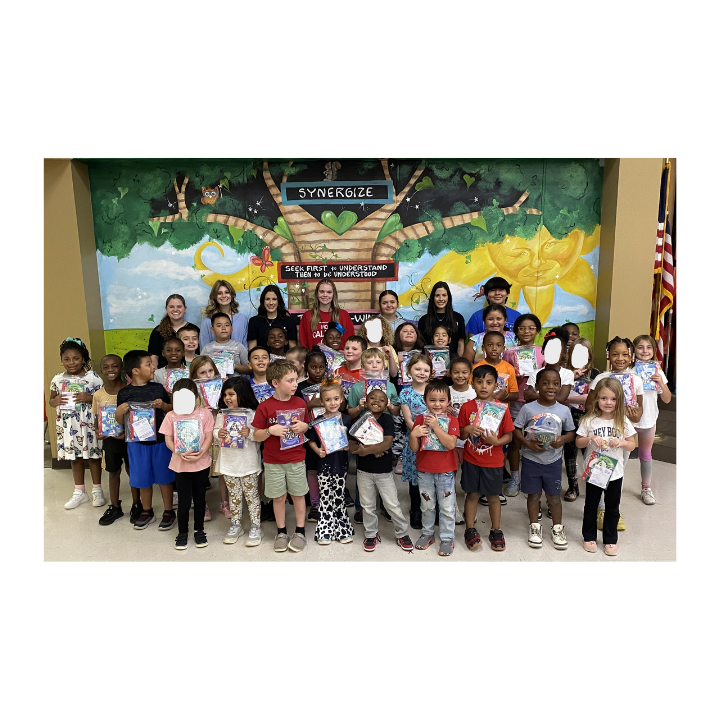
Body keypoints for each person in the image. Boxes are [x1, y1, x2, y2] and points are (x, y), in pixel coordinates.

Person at [251, 359, 310, 553]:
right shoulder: (265, 407)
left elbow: (307, 426)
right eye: (290, 380)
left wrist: (304, 427)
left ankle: (300, 531)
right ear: (275, 383)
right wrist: (270, 431)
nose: (295, 384)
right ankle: (281, 532)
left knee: (298, 495)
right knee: (278, 497)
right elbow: (256, 434)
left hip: (296, 458)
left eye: (296, 380)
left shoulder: (300, 402)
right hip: (273, 461)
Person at [513, 367, 575, 550]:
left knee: (554, 497)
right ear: (537, 385)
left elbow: (571, 432)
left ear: (560, 386)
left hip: (553, 461)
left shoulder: (564, 410)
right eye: (545, 383)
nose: (551, 387)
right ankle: (535, 527)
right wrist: (527, 443)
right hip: (531, 459)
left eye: (556, 383)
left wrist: (562, 439)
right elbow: (516, 429)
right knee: (533, 496)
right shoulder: (527, 408)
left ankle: (557, 528)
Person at [587, 336, 645, 532]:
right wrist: (603, 409)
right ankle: (600, 509)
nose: (620, 358)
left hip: (621, 435)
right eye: (615, 354)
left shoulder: (635, 380)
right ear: (608, 355)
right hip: (600, 432)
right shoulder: (600, 378)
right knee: (599, 470)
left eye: (624, 354)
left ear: (631, 356)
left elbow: (638, 415)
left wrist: (630, 412)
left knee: (617, 472)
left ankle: (613, 509)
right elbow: (589, 405)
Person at [114, 350, 175, 530]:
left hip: (160, 442)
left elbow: (170, 409)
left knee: (164, 478)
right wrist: (119, 412)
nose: (153, 367)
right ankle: (146, 510)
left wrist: (163, 405)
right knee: (142, 479)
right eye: (148, 364)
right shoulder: (124, 393)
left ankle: (169, 511)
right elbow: (120, 421)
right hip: (136, 443)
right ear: (135, 371)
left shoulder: (157, 388)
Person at [576, 377, 637, 556]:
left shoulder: (623, 421)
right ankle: (589, 536)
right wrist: (589, 439)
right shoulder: (589, 420)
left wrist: (623, 442)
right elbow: (579, 442)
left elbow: (632, 444)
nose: (608, 402)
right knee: (591, 505)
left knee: (612, 507)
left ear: (619, 400)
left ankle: (610, 540)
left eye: (613, 399)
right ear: (597, 399)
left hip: (615, 473)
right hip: (595, 471)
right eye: (604, 398)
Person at [349, 389, 414, 552]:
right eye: (372, 397)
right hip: (363, 471)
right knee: (367, 505)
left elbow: (386, 443)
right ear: (365, 402)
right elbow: (351, 445)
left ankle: (402, 533)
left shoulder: (387, 420)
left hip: (384, 472)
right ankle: (371, 534)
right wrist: (370, 450)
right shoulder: (360, 420)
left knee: (392, 504)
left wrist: (366, 450)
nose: (376, 401)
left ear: (386, 406)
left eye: (381, 400)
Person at [459, 365, 515, 551]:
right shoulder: (466, 407)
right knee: (472, 495)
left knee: (493, 496)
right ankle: (470, 529)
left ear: (495, 385)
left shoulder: (501, 408)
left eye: (489, 382)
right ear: (472, 383)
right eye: (479, 381)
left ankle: (496, 530)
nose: (484, 386)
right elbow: (460, 434)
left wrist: (497, 441)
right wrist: (467, 429)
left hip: (493, 461)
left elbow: (509, 435)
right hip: (471, 460)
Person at [49, 338, 104, 510]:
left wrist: (91, 398)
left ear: (83, 359)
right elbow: (51, 401)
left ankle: (97, 490)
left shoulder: (92, 378)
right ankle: (80, 492)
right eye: (66, 359)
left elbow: (103, 398)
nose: (71, 362)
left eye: (76, 358)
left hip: (88, 424)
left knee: (94, 456)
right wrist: (55, 400)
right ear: (61, 360)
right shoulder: (57, 379)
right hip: (68, 426)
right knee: (75, 458)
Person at [160, 379, 215, 550]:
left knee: (200, 500)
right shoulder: (171, 416)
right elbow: (167, 438)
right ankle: (182, 532)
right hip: (180, 465)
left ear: (196, 397)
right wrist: (177, 450)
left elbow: (209, 436)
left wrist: (202, 452)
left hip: (201, 464)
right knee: (184, 501)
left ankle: (199, 530)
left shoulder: (204, 414)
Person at [409, 379, 461, 556]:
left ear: (448, 401)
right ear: (425, 401)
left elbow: (451, 444)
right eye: (432, 400)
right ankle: (427, 534)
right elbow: (414, 448)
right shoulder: (419, 419)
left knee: (447, 507)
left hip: (445, 472)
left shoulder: (452, 420)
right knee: (427, 505)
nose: (437, 404)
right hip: (424, 471)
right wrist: (413, 435)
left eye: (441, 400)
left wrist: (436, 427)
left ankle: (447, 538)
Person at [215, 376, 263, 547]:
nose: (227, 398)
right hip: (229, 463)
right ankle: (236, 525)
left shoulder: (253, 414)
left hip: (248, 463)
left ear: (242, 394)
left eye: (231, 394)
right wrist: (217, 434)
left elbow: (259, 437)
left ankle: (256, 526)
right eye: (225, 394)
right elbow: (215, 431)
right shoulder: (222, 414)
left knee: (252, 497)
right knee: (234, 497)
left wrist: (248, 433)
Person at [93, 354, 140, 525]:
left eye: (115, 366)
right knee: (113, 472)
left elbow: (137, 417)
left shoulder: (130, 390)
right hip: (110, 440)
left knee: (132, 470)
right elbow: (96, 418)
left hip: (129, 439)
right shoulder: (98, 395)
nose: (110, 370)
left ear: (122, 369)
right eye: (106, 367)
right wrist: (98, 431)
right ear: (101, 371)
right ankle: (115, 506)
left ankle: (137, 504)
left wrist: (127, 431)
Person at [306, 381, 355, 544]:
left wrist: (348, 446)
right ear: (321, 402)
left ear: (341, 399)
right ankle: (325, 530)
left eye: (336, 398)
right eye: (328, 400)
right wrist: (317, 450)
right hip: (324, 464)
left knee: (339, 497)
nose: (332, 403)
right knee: (325, 497)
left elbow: (352, 441)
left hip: (341, 464)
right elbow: (310, 440)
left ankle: (342, 529)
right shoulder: (318, 421)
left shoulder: (347, 419)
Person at [503, 313, 545, 497]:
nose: (526, 331)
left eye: (531, 328)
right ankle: (515, 478)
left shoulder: (542, 352)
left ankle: (531, 479)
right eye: (522, 328)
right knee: (514, 441)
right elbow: (502, 378)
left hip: (536, 401)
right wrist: (514, 375)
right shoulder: (509, 353)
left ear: (537, 331)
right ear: (516, 331)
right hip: (514, 402)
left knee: (534, 440)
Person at [631, 334, 672, 505]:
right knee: (622, 453)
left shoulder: (658, 371)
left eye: (648, 347)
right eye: (640, 347)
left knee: (645, 454)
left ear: (654, 351)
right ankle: (613, 486)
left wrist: (661, 383)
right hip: (630, 419)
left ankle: (646, 488)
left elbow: (667, 399)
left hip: (648, 419)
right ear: (633, 351)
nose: (644, 351)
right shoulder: (629, 371)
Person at [563, 337, 599, 502]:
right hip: (567, 418)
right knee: (570, 454)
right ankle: (573, 486)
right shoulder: (564, 372)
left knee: (589, 453)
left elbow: (592, 398)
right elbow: (556, 395)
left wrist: (567, 398)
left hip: (588, 419)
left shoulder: (595, 374)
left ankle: (593, 487)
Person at [295, 347, 329, 522]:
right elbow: (292, 412)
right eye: (313, 367)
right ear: (305, 367)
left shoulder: (330, 385)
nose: (317, 371)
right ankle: (315, 504)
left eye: (321, 367)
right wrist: (310, 405)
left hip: (329, 433)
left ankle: (328, 501)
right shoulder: (299, 387)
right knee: (312, 469)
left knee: (329, 468)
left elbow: (342, 406)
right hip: (309, 435)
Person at [399, 353, 432, 529]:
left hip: (434, 440)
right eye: (417, 369)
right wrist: (418, 433)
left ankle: (432, 509)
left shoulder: (434, 389)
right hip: (414, 439)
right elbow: (408, 420)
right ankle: (416, 509)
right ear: (409, 370)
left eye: (426, 370)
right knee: (415, 477)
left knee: (431, 474)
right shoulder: (405, 393)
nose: (422, 372)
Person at [188, 356, 221, 520]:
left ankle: (225, 503)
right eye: (202, 372)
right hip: (199, 435)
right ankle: (203, 505)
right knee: (201, 472)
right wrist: (201, 409)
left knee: (221, 469)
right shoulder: (190, 394)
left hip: (218, 432)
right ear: (194, 375)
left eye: (210, 371)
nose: (208, 375)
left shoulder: (219, 387)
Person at [346, 348, 401, 420]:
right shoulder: (357, 387)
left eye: (378, 362)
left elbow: (396, 412)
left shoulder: (390, 386)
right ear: (363, 367)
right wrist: (359, 408)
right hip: (363, 424)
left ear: (383, 367)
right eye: (369, 362)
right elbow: (350, 414)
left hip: (385, 423)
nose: (374, 365)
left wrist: (390, 406)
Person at [299, 279, 354, 349]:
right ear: (317, 294)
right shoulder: (308, 316)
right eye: (322, 292)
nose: (325, 295)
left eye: (329, 292)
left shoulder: (343, 315)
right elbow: (304, 344)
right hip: (315, 358)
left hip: (340, 358)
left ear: (333, 294)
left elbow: (350, 342)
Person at [418, 281, 466, 356]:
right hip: (429, 363)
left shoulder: (458, 318)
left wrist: (459, 362)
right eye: (437, 295)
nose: (441, 299)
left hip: (452, 363)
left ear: (448, 297)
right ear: (433, 298)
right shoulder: (424, 320)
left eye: (444, 295)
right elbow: (420, 345)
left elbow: (460, 343)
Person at [199, 279, 249, 350]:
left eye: (227, 292)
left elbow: (245, 347)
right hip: (214, 360)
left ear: (232, 295)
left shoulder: (242, 319)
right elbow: (204, 346)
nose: (224, 296)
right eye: (219, 293)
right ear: (215, 297)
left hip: (238, 360)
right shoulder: (207, 319)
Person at [247, 284, 298, 350]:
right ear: (263, 301)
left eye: (274, 299)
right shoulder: (254, 321)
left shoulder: (289, 321)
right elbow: (252, 349)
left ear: (278, 301)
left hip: (284, 360)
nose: (271, 303)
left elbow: (293, 350)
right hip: (262, 360)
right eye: (267, 299)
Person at [148, 294, 190, 370]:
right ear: (166, 309)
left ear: (185, 308)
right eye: (171, 307)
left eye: (179, 306)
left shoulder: (193, 329)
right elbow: (153, 356)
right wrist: (157, 375)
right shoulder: (158, 331)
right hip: (164, 376)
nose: (175, 309)